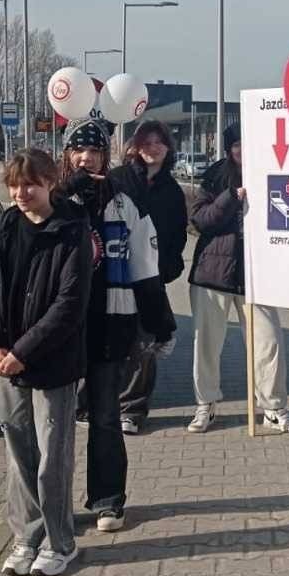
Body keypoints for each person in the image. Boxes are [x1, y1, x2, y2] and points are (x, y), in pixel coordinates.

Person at [0, 149, 94, 576]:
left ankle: (62, 542)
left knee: (51, 458)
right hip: (5, 363)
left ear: (49, 183)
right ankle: (27, 537)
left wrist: (22, 352)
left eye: (31, 184)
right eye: (15, 184)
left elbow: (69, 305)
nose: (22, 192)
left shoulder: (72, 231)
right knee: (18, 457)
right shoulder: (6, 226)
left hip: (51, 365)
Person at [59, 117, 177, 533]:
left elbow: (146, 267)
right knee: (55, 424)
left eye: (94, 151)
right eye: (79, 149)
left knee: (106, 416)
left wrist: (161, 324)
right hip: (61, 331)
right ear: (67, 154)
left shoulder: (124, 203)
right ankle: (55, 509)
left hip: (110, 325)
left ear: (105, 156)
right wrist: (69, 196)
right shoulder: (54, 202)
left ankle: (108, 500)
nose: (86, 158)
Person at [187, 123, 289, 434]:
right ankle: (206, 405)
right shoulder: (215, 176)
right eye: (237, 145)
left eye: (247, 143)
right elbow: (200, 220)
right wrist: (231, 197)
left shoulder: (273, 172)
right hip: (213, 275)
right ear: (229, 148)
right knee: (207, 346)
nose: (242, 150)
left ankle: (274, 408)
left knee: (268, 343)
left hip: (258, 274)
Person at [116, 120, 189, 435]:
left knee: (144, 344)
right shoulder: (117, 180)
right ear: (135, 146)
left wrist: (167, 269)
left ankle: (132, 410)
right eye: (147, 141)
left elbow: (177, 236)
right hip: (114, 274)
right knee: (112, 341)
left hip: (150, 278)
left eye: (160, 142)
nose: (153, 147)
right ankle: (94, 403)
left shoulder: (173, 191)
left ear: (168, 148)